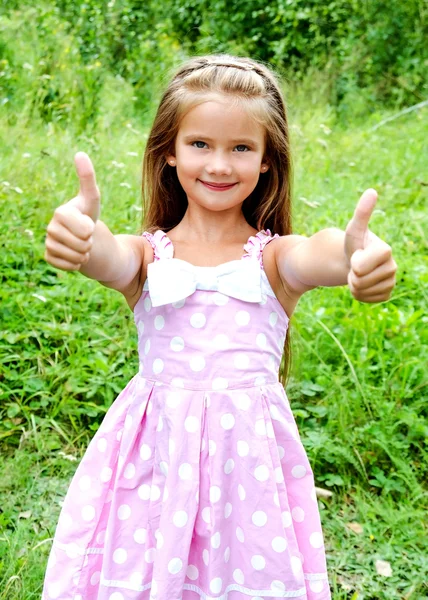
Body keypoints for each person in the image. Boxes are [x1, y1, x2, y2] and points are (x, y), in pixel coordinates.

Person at [42, 55, 396, 600]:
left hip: (246, 474)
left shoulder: (274, 260)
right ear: (168, 153)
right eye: (200, 144)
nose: (220, 165)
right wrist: (83, 240)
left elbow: (319, 254)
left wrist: (356, 256)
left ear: (267, 163)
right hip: (156, 462)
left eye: (241, 148)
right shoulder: (146, 257)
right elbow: (107, 257)